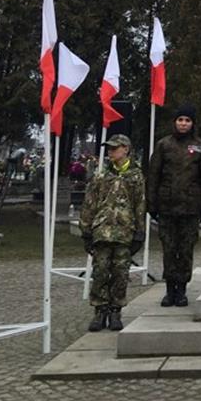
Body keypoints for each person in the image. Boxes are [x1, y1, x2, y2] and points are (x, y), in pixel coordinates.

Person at [147, 103, 201, 307]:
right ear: (175, 122)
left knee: (185, 250)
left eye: (187, 120)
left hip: (190, 207)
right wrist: (151, 203)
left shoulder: (200, 146)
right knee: (169, 249)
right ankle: (169, 289)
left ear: (192, 123)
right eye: (180, 120)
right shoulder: (163, 145)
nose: (183, 124)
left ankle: (182, 289)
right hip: (167, 206)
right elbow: (153, 175)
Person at [80, 134, 146, 332]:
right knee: (100, 271)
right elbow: (90, 203)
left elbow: (140, 204)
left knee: (120, 272)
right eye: (109, 148)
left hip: (124, 232)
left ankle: (116, 310)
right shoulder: (101, 176)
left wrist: (140, 232)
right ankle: (100, 310)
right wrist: (86, 230)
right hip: (102, 232)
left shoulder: (136, 176)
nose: (111, 152)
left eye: (115, 148)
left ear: (126, 149)